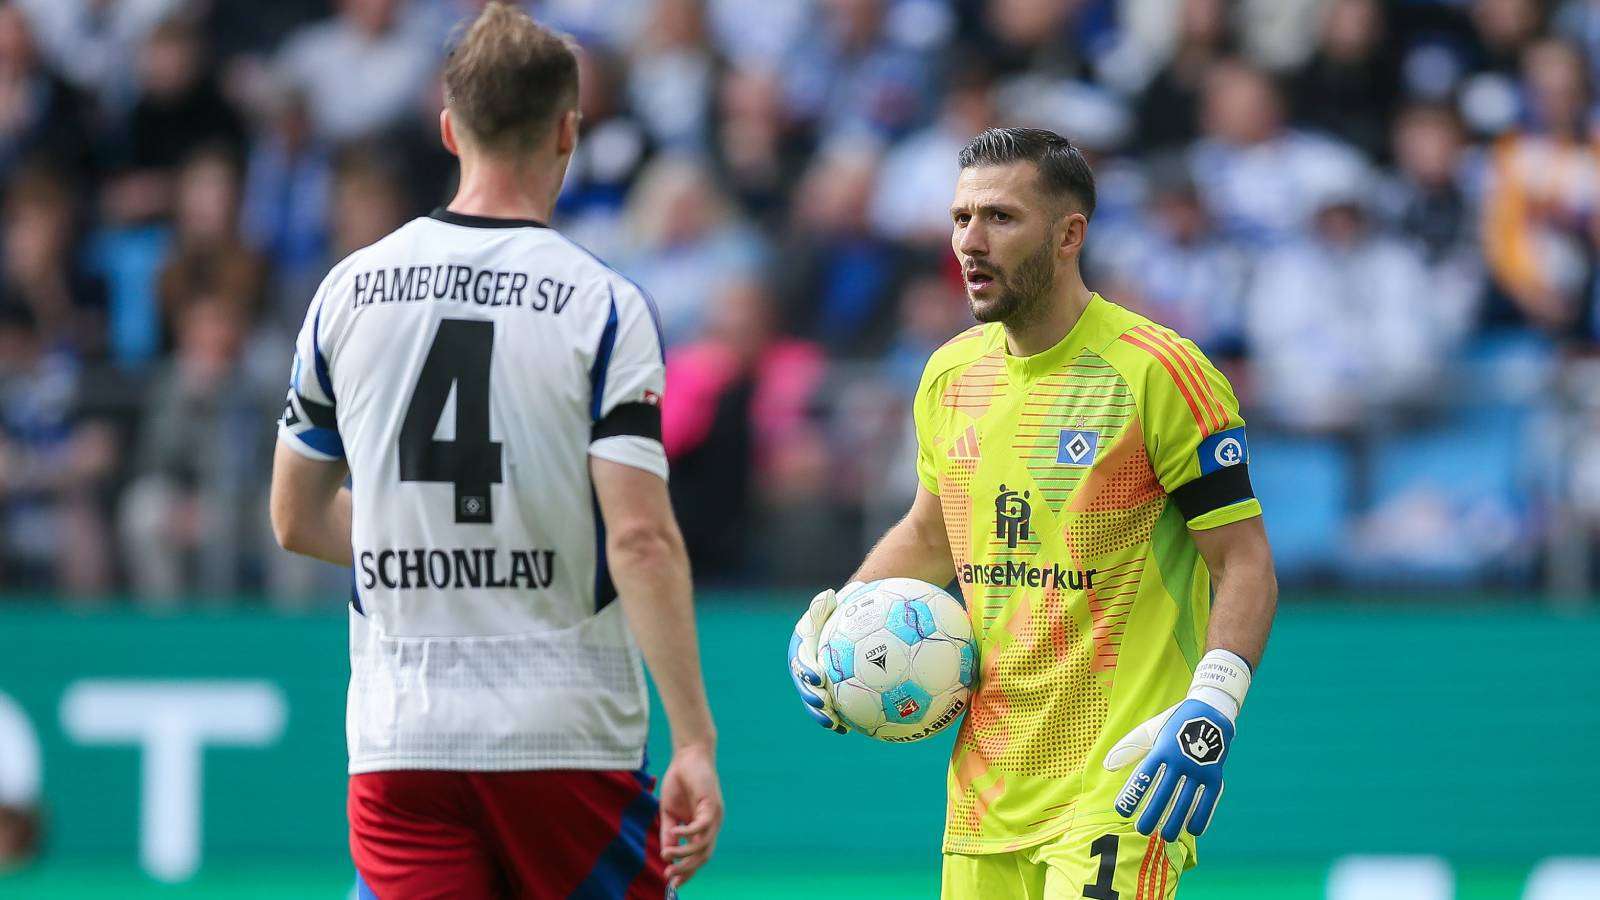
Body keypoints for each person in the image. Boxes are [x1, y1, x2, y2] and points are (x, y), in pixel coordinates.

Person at [268, 5, 722, 897]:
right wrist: (695, 740)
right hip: (564, 736)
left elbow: (296, 516)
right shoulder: (603, 305)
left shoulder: (347, 291)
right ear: (568, 130)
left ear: (449, 127)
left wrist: (432, 548)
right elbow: (638, 540)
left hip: (402, 739)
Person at [787, 128, 1277, 898]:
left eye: (1000, 219)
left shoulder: (1158, 372)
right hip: (985, 793)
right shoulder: (950, 375)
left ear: (1068, 234)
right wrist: (838, 618)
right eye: (960, 219)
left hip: (1121, 784)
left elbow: (1242, 560)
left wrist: (1213, 705)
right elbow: (929, 531)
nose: (969, 244)